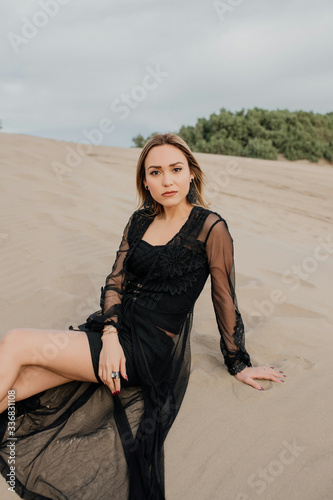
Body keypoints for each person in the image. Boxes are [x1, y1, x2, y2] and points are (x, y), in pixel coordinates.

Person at [0, 133, 285, 500]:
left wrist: (237, 361)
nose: (167, 180)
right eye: (156, 172)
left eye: (175, 169)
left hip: (147, 351)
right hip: (113, 331)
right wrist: (109, 336)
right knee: (18, 383)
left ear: (191, 175)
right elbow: (114, 283)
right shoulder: (139, 221)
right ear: (145, 181)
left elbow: (224, 296)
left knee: (16, 343)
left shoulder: (210, 227)